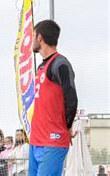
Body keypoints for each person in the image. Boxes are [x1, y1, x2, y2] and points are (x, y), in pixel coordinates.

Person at [29, 20, 78, 176]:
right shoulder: (41, 67)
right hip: (36, 140)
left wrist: (68, 125)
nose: (31, 39)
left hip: (53, 140)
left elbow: (71, 99)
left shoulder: (60, 63)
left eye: (33, 35)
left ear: (40, 38)